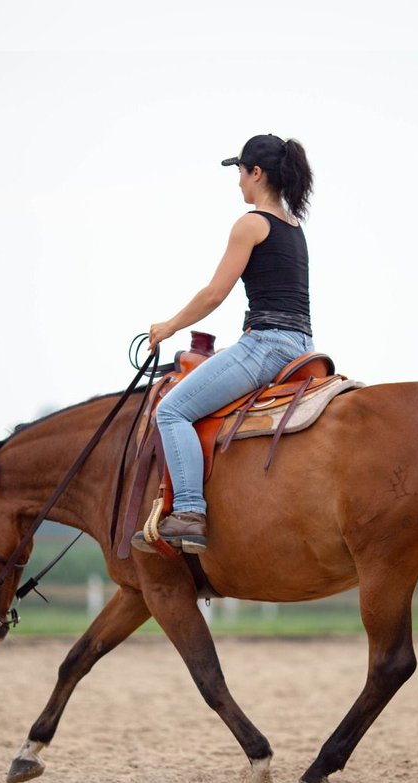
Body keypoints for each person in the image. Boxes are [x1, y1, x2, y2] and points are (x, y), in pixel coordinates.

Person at [133, 134, 315, 554]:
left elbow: (215, 293)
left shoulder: (251, 223)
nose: (237, 183)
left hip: (267, 346)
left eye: (239, 172)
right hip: (302, 346)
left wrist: (169, 326)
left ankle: (191, 512)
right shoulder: (293, 227)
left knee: (171, 409)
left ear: (256, 173)